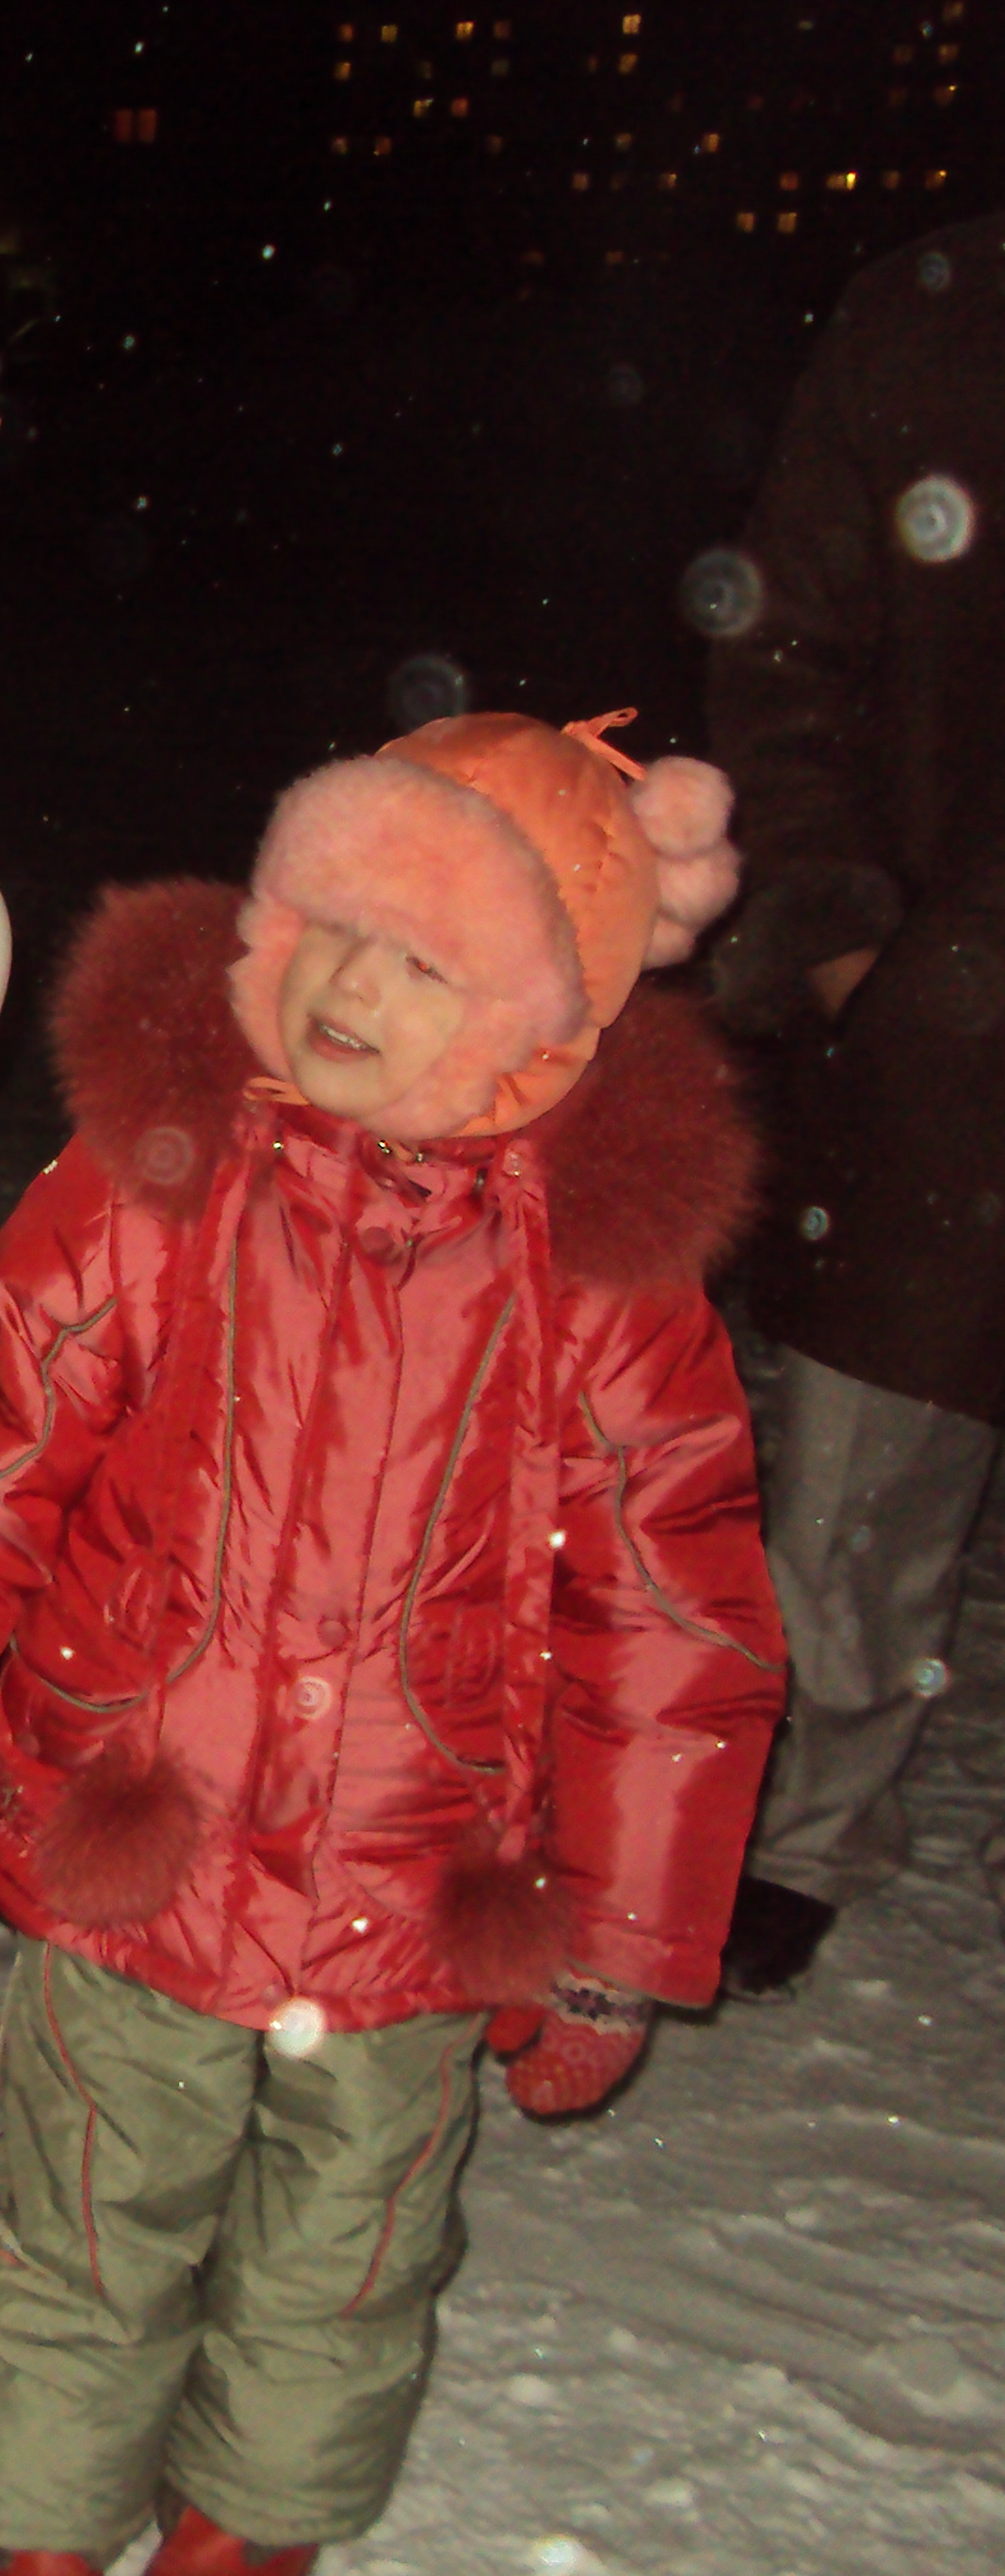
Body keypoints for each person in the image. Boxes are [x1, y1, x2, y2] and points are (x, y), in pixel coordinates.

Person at [0, 714, 784, 2576]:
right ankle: (37, 2546)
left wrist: (617, 1943)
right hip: (139, 1847)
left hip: (421, 1892)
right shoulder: (165, 1178)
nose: (351, 988)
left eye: (425, 965)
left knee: (337, 2278)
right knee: (76, 2234)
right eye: (334, 930)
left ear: (542, 1029)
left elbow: (670, 1622)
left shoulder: (604, 1283)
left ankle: (244, 2546)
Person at [704, 211, 1005, 2001]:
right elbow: (785, 638)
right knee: (867, 1439)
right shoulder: (936, 319)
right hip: (953, 982)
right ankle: (806, 1816)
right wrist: (836, 934)